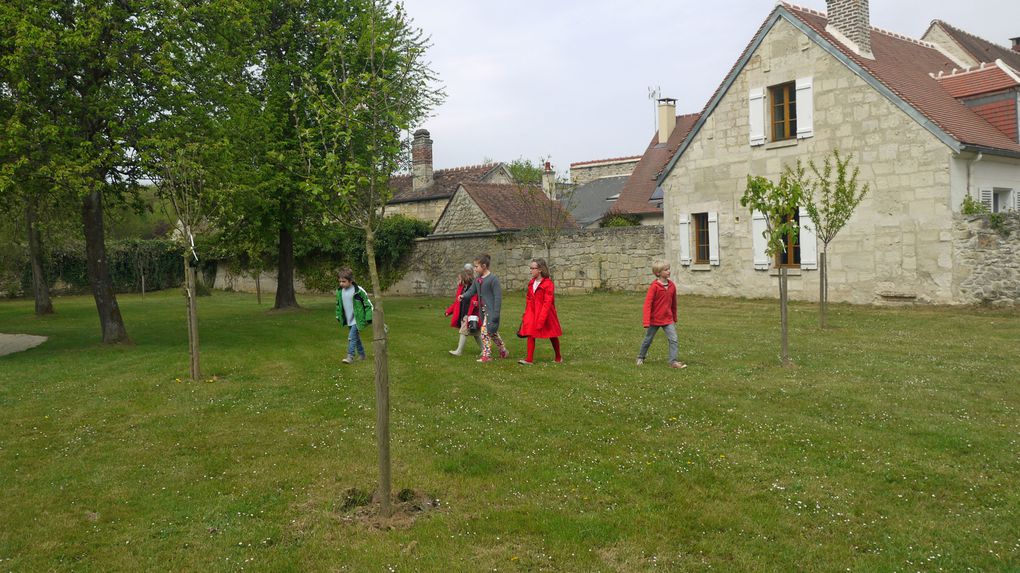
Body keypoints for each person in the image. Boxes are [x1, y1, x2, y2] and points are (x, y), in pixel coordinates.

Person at [459, 253, 509, 362]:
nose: (475, 269)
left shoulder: (493, 279)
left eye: (476, 266)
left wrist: (496, 313)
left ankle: (487, 355)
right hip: (483, 312)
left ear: (484, 266)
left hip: (491, 312)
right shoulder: (477, 280)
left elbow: (498, 298)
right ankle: (503, 350)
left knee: (484, 331)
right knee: (492, 332)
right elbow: (472, 291)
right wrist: (463, 296)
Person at [636, 260, 686, 369]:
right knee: (648, 339)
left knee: (674, 339)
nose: (669, 271)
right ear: (658, 273)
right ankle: (640, 357)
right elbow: (647, 305)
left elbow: (674, 304)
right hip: (655, 319)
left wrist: (674, 317)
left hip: (668, 319)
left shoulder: (672, 286)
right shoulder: (654, 287)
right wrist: (646, 321)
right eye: (666, 270)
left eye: (669, 269)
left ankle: (673, 362)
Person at [518, 258, 562, 365]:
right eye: (530, 268)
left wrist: (541, 319)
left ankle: (558, 357)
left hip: (546, 314)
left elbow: (547, 303)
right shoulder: (531, 283)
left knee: (552, 334)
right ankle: (529, 359)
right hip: (532, 312)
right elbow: (529, 299)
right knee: (530, 333)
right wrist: (527, 315)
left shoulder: (548, 284)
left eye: (533, 268)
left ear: (540, 269)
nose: (531, 270)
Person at [335, 268, 373, 364]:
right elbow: (338, 305)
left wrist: (369, 317)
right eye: (340, 281)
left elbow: (368, 304)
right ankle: (362, 355)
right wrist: (338, 315)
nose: (341, 284)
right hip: (349, 319)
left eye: (344, 281)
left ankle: (350, 356)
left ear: (351, 281)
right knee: (356, 337)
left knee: (351, 337)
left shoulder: (358, 291)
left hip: (358, 319)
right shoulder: (340, 292)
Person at [445, 267, 481, 356]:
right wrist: (449, 311)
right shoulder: (461, 288)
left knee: (463, 331)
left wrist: (476, 304)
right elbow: (457, 302)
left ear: (465, 278)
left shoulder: (474, 287)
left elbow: (478, 301)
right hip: (463, 314)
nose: (459, 280)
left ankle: (459, 351)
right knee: (476, 334)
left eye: (460, 278)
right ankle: (485, 350)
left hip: (471, 315)